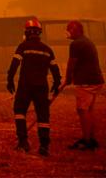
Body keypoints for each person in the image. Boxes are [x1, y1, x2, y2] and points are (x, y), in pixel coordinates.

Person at [6, 18, 61, 156]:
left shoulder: (23, 46)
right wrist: (56, 83)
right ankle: (44, 146)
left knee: (19, 111)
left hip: (25, 85)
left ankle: (23, 143)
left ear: (26, 32)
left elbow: (14, 64)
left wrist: (10, 80)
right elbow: (55, 69)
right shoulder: (47, 49)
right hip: (42, 87)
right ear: (39, 33)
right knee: (43, 116)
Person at [65, 20, 104, 151]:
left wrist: (67, 78)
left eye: (69, 29)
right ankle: (91, 138)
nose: (67, 32)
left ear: (76, 30)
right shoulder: (87, 41)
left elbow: (71, 64)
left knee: (82, 110)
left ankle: (87, 140)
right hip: (96, 80)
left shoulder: (76, 44)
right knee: (89, 109)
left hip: (86, 82)